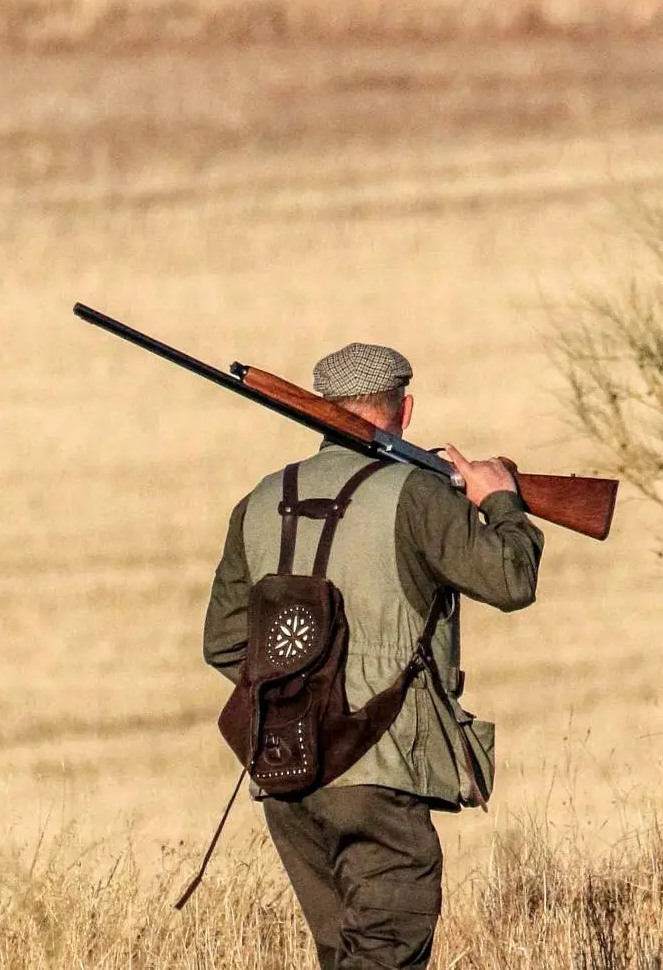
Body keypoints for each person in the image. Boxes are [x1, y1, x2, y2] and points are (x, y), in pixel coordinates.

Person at [201, 342, 544, 970]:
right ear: (405, 411)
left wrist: (300, 690)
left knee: (344, 956)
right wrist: (500, 500)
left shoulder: (259, 499)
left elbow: (224, 642)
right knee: (385, 953)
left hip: (286, 774)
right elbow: (512, 580)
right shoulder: (416, 495)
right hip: (379, 769)